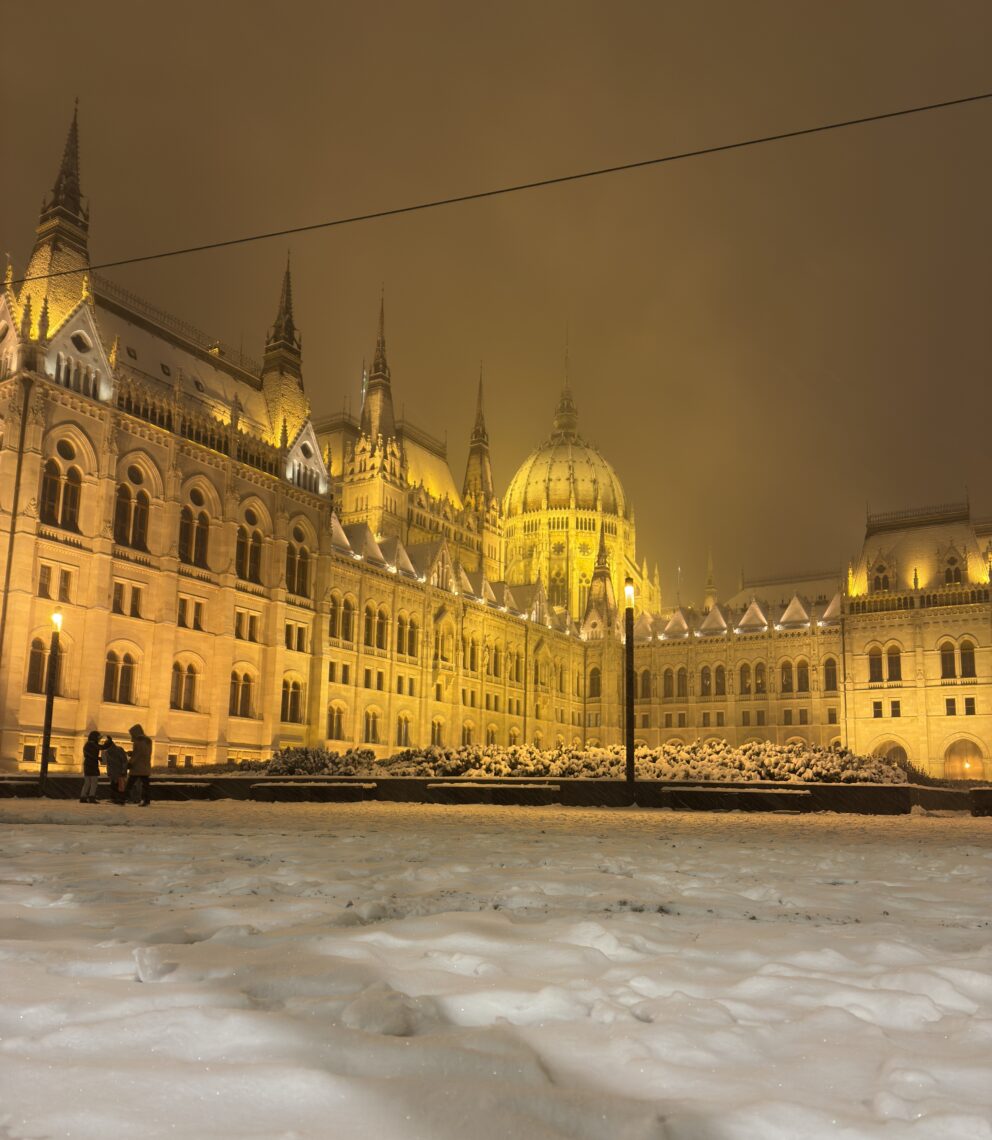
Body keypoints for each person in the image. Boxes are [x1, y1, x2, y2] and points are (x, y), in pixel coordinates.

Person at [125, 723, 153, 806]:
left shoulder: (138, 741)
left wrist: (130, 762)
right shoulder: (148, 740)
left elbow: (137, 754)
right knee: (146, 785)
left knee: (129, 784)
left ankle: (122, 798)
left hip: (137, 767)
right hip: (145, 766)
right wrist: (132, 753)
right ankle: (146, 800)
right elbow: (144, 753)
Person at [101, 735, 128, 805]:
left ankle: (119, 799)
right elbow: (124, 761)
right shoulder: (117, 750)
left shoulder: (110, 751)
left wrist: (123, 771)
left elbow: (124, 761)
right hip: (116, 772)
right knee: (117, 786)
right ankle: (117, 799)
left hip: (117, 772)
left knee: (118, 786)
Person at [80, 731, 101, 803]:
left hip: (87, 764)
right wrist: (109, 743)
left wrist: (97, 758)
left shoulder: (87, 744)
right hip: (92, 765)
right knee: (94, 782)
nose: (99, 739)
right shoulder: (93, 744)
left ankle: (83, 797)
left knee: (87, 782)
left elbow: (89, 754)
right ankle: (91, 797)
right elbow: (101, 747)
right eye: (98, 737)